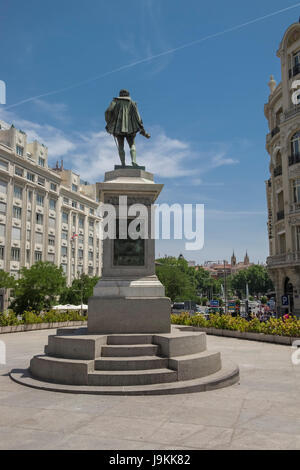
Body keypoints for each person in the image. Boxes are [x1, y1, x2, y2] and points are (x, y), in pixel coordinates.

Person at [105, 89, 150, 167]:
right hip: (131, 128)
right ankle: (134, 161)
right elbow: (138, 116)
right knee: (132, 144)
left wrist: (109, 122)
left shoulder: (115, 102)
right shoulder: (132, 103)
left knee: (121, 145)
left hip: (118, 128)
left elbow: (108, 111)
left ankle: (123, 163)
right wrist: (141, 127)